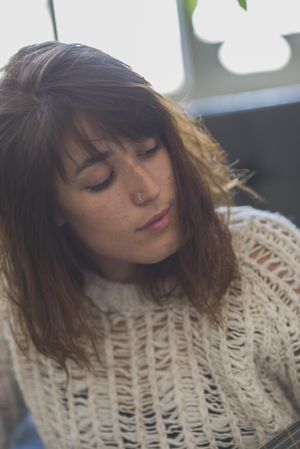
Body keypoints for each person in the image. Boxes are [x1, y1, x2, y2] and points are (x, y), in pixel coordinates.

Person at [0, 41, 300, 449]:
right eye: (101, 179)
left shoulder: (266, 260)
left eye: (149, 149)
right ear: (48, 207)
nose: (148, 189)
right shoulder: (20, 297)